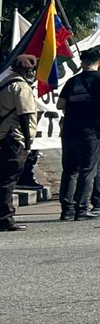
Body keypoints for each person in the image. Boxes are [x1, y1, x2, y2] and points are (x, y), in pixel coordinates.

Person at [57, 49, 100, 220]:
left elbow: (60, 104)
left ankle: (67, 209)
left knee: (69, 171)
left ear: (82, 62)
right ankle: (81, 208)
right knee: (87, 170)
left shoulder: (72, 81)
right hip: (91, 130)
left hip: (70, 131)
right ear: (99, 62)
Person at [0, 55, 39, 232]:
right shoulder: (21, 87)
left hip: (3, 136)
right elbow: (25, 115)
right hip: (14, 137)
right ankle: (5, 219)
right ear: (27, 71)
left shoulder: (4, 83)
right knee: (8, 179)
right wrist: (28, 142)